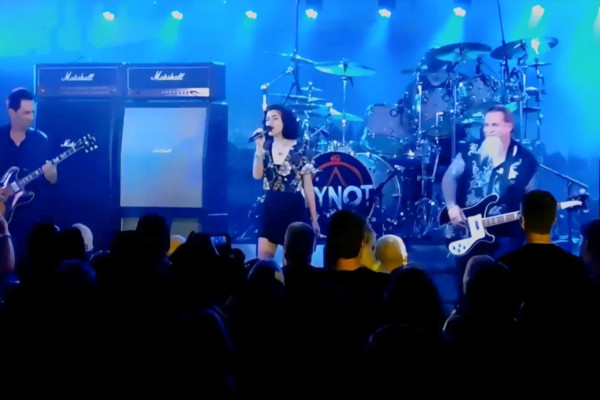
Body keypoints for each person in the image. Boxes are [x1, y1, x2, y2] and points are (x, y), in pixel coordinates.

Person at [441, 104, 537, 294]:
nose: (488, 130)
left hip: (506, 236)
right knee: (467, 286)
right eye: (486, 125)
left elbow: (533, 195)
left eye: (494, 125)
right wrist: (452, 206)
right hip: (467, 231)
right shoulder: (470, 151)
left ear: (509, 126)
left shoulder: (525, 159)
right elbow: (449, 177)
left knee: (502, 288)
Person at [252, 104, 320, 260]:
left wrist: (314, 218)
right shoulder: (265, 147)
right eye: (267, 119)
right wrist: (258, 149)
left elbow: (308, 187)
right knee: (263, 262)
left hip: (293, 207)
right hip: (270, 206)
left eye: (275, 118)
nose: (270, 122)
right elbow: (257, 175)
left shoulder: (301, 149)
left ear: (285, 121)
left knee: (292, 262)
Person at [0, 88, 57, 259]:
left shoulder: (42, 140)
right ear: (12, 112)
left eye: (33, 112)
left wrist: (52, 177)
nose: (31, 117)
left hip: (32, 215)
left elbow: (52, 182)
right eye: (26, 113)